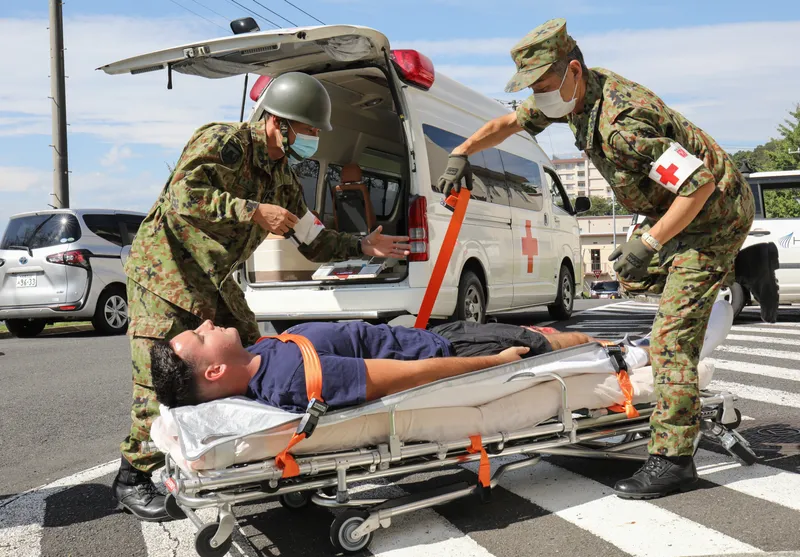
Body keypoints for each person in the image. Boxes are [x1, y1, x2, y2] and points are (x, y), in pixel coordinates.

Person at [436, 18, 754, 499]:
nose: (539, 97)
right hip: (672, 208)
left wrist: (648, 242)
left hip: (711, 215)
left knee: (672, 339)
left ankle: (674, 460)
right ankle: (746, 268)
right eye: (533, 88)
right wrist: (461, 151)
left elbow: (698, 185)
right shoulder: (573, 94)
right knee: (635, 278)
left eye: (543, 85)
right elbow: (510, 123)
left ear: (573, 71)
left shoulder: (623, 123)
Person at [112, 72, 411, 522]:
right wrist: (251, 210)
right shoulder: (224, 141)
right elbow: (183, 195)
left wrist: (362, 246)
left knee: (258, 357)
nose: (312, 138)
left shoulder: (282, 179)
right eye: (308, 129)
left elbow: (311, 237)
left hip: (212, 277)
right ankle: (132, 476)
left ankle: (256, 456)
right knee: (160, 375)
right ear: (279, 122)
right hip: (165, 270)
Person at [149, 320, 598, 411]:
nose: (208, 322)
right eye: (202, 336)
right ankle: (619, 348)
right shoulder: (294, 378)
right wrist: (493, 363)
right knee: (554, 342)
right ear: (213, 372)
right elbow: (411, 377)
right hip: (448, 350)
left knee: (547, 334)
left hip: (432, 336)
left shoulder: (262, 358)